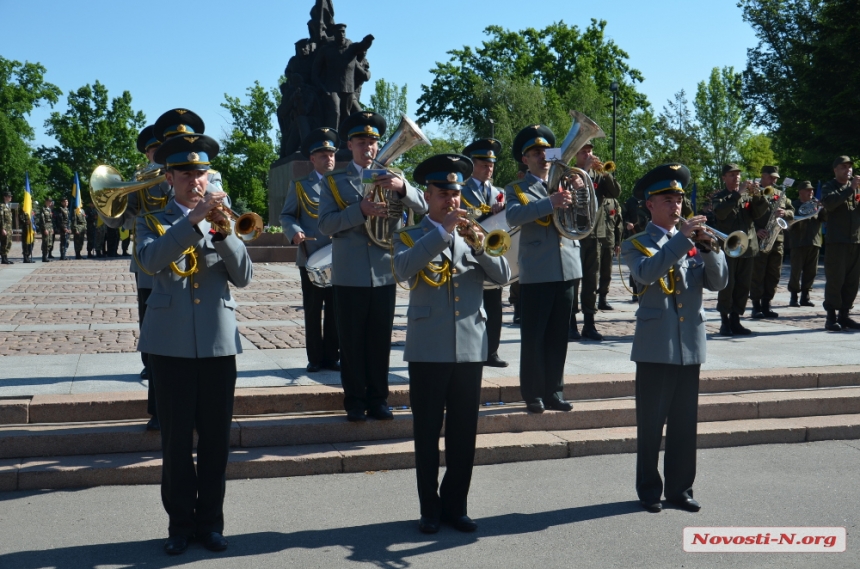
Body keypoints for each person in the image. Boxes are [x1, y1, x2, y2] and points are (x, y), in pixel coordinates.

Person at [136, 132, 252, 556]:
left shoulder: (224, 219)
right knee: (177, 442)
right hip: (170, 348)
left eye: (200, 172)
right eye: (186, 173)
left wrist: (222, 233)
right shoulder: (152, 221)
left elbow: (243, 276)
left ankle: (212, 524)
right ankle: (179, 525)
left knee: (217, 442)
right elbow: (149, 263)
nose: (195, 180)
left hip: (219, 345)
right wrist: (191, 222)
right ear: (169, 177)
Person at [393, 153, 510, 534]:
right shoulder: (410, 234)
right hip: (428, 349)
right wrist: (441, 232)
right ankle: (429, 508)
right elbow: (403, 269)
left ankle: (455, 506)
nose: (452, 201)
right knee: (426, 433)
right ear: (427, 195)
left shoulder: (475, 234)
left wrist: (477, 246)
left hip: (470, 347)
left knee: (464, 433)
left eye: (456, 194)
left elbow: (504, 275)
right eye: (443, 193)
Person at [622, 163, 728, 513]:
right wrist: (682, 241)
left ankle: (680, 489)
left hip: (690, 343)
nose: (677, 206)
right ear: (650, 204)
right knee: (651, 424)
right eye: (668, 199)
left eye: (679, 199)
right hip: (655, 344)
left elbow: (719, 283)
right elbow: (647, 273)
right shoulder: (636, 243)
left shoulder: (696, 242)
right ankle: (649, 491)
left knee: (685, 424)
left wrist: (711, 249)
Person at [318, 111, 428, 422]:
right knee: (351, 342)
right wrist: (360, 210)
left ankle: (379, 399)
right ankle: (354, 400)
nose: (368, 148)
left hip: (384, 271)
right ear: (349, 145)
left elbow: (421, 207)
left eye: (373, 142)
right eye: (362, 142)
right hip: (349, 274)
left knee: (380, 340)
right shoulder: (334, 182)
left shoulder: (393, 176)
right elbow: (325, 225)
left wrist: (403, 188)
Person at [504, 125, 583, 414]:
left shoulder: (567, 181)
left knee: (559, 336)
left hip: (567, 267)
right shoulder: (516, 188)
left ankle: (554, 391)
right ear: (525, 159)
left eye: (547, 152)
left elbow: (587, 215)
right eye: (536, 152)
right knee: (534, 337)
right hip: (537, 271)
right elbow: (514, 216)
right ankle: (533, 394)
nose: (543, 156)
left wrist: (577, 193)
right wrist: (550, 202)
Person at [279, 127, 341, 373]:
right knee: (314, 310)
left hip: (339, 259)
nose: (329, 159)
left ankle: (332, 357)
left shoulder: (342, 183)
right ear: (312, 159)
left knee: (336, 311)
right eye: (323, 155)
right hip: (311, 256)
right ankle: (315, 358)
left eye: (332, 155)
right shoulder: (300, 185)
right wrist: (294, 231)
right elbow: (286, 215)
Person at [461, 137, 508, 367]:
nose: (489, 168)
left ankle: (492, 351)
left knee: (494, 304)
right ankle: (472, 348)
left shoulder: (499, 192)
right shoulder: (461, 190)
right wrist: (490, 213)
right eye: (483, 164)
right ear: (473, 164)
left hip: (493, 253)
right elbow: (466, 218)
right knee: (472, 303)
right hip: (469, 252)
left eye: (491, 164)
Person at [569, 142, 621, 341]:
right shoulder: (571, 173)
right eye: (583, 152)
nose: (588, 154)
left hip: (595, 234)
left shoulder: (599, 176)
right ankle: (571, 323)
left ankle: (589, 324)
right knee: (573, 281)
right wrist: (583, 171)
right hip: (575, 233)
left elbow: (615, 193)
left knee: (592, 280)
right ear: (576, 155)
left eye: (590, 151)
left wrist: (606, 173)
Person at [711, 164, 769, 336]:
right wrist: (738, 193)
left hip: (747, 246)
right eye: (731, 175)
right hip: (729, 246)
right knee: (728, 284)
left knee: (743, 285)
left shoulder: (748, 196)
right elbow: (720, 213)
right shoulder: (719, 197)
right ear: (724, 178)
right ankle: (724, 321)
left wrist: (758, 196)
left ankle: (736, 320)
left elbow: (759, 214)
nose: (736, 177)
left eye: (738, 174)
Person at [820, 156, 860, 331]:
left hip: (855, 240)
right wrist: (850, 189)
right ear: (835, 169)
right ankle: (831, 317)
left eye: (850, 167)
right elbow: (829, 204)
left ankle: (845, 315)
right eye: (844, 167)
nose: (848, 170)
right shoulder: (830, 187)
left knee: (852, 281)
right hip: (837, 241)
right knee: (836, 279)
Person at [749, 166, 794, 319]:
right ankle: (756, 306)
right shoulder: (752, 191)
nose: (774, 180)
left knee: (774, 274)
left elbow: (792, 211)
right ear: (763, 175)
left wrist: (785, 213)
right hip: (759, 238)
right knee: (757, 274)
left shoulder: (780, 194)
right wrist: (755, 230)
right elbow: (744, 214)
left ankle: (767, 305)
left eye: (776, 178)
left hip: (777, 239)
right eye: (771, 177)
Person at [787, 181, 826, 307]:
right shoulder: (794, 205)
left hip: (814, 242)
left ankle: (805, 296)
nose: (811, 193)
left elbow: (824, 219)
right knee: (796, 271)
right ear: (801, 192)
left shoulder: (816, 205)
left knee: (811, 271)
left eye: (812, 190)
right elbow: (789, 220)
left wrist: (823, 208)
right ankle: (794, 296)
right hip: (798, 242)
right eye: (808, 190)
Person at [599, 196, 623, 309]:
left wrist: (618, 243)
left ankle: (602, 299)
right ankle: (589, 300)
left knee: (606, 273)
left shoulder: (613, 202)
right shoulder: (593, 197)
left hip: (609, 241)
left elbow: (618, 223)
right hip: (593, 241)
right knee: (591, 274)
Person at [37, 196, 55, 262]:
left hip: (50, 227)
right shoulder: (43, 209)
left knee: (50, 242)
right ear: (46, 201)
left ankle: (46, 256)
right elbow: (42, 220)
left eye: (51, 201)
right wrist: (44, 229)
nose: (50, 202)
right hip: (46, 227)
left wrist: (52, 228)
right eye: (49, 201)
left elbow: (51, 220)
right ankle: (44, 257)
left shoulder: (49, 209)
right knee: (45, 242)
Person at [0, 191, 13, 264]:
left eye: (10, 196)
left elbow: (10, 219)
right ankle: (3, 259)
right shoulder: (2, 206)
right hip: (4, 227)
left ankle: (5, 257)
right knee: (4, 243)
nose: (10, 197)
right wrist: (2, 229)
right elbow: (1, 218)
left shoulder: (8, 206)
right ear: (5, 197)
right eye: (9, 196)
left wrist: (11, 229)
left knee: (9, 243)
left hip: (9, 227)